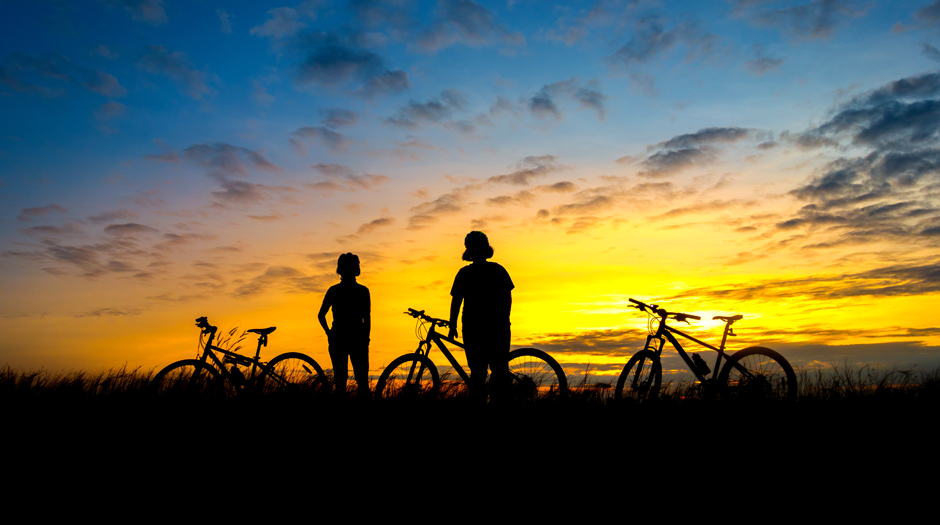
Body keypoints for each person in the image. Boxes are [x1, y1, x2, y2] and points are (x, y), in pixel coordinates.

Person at [448, 231, 514, 402]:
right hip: (492, 326)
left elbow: (456, 302)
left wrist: (452, 325)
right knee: (494, 369)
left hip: (476, 327)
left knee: (480, 372)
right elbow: (507, 298)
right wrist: (504, 320)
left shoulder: (465, 273)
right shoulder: (497, 270)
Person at [318, 253, 371, 397]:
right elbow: (367, 319)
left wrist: (329, 333)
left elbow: (321, 315)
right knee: (361, 381)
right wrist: (366, 338)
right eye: (357, 265)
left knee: (340, 381)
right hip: (356, 338)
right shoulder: (362, 291)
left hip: (339, 337)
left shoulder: (334, 290)